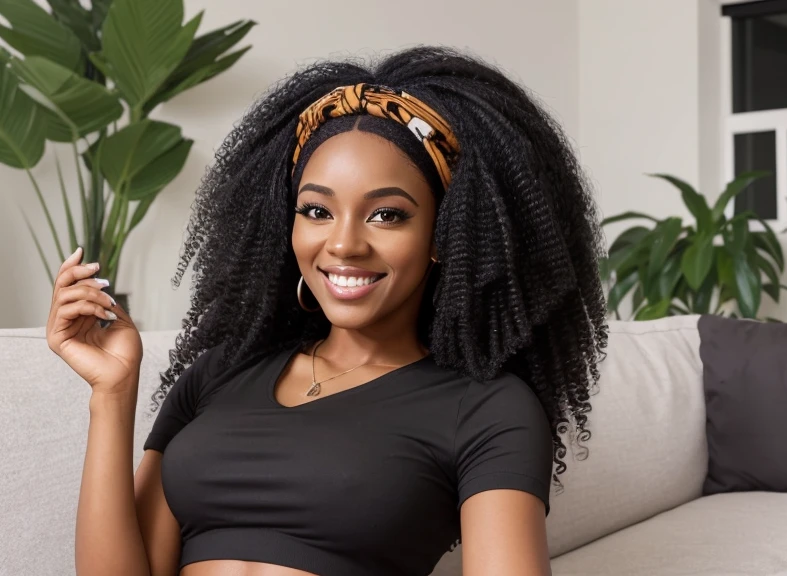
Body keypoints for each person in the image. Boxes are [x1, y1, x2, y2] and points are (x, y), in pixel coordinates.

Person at [46, 46, 608, 576]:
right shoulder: (219, 374)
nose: (343, 245)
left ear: (443, 234)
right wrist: (112, 394)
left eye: (386, 215)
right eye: (316, 210)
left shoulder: (484, 408)